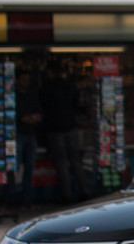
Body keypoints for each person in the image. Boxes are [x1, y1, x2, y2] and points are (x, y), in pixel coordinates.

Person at [40, 64, 92, 202]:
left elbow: (44, 107)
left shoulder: (47, 87)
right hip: (70, 126)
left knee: (62, 163)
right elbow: (77, 105)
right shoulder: (69, 86)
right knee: (75, 161)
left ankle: (67, 195)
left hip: (56, 129)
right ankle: (85, 191)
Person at [13, 70, 42, 208]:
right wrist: (28, 118)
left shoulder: (31, 96)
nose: (26, 82)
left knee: (29, 168)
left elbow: (39, 114)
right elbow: (20, 117)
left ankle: (26, 198)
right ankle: (9, 197)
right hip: (19, 134)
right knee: (15, 167)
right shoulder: (13, 96)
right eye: (23, 79)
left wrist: (30, 118)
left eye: (27, 79)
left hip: (30, 134)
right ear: (17, 80)